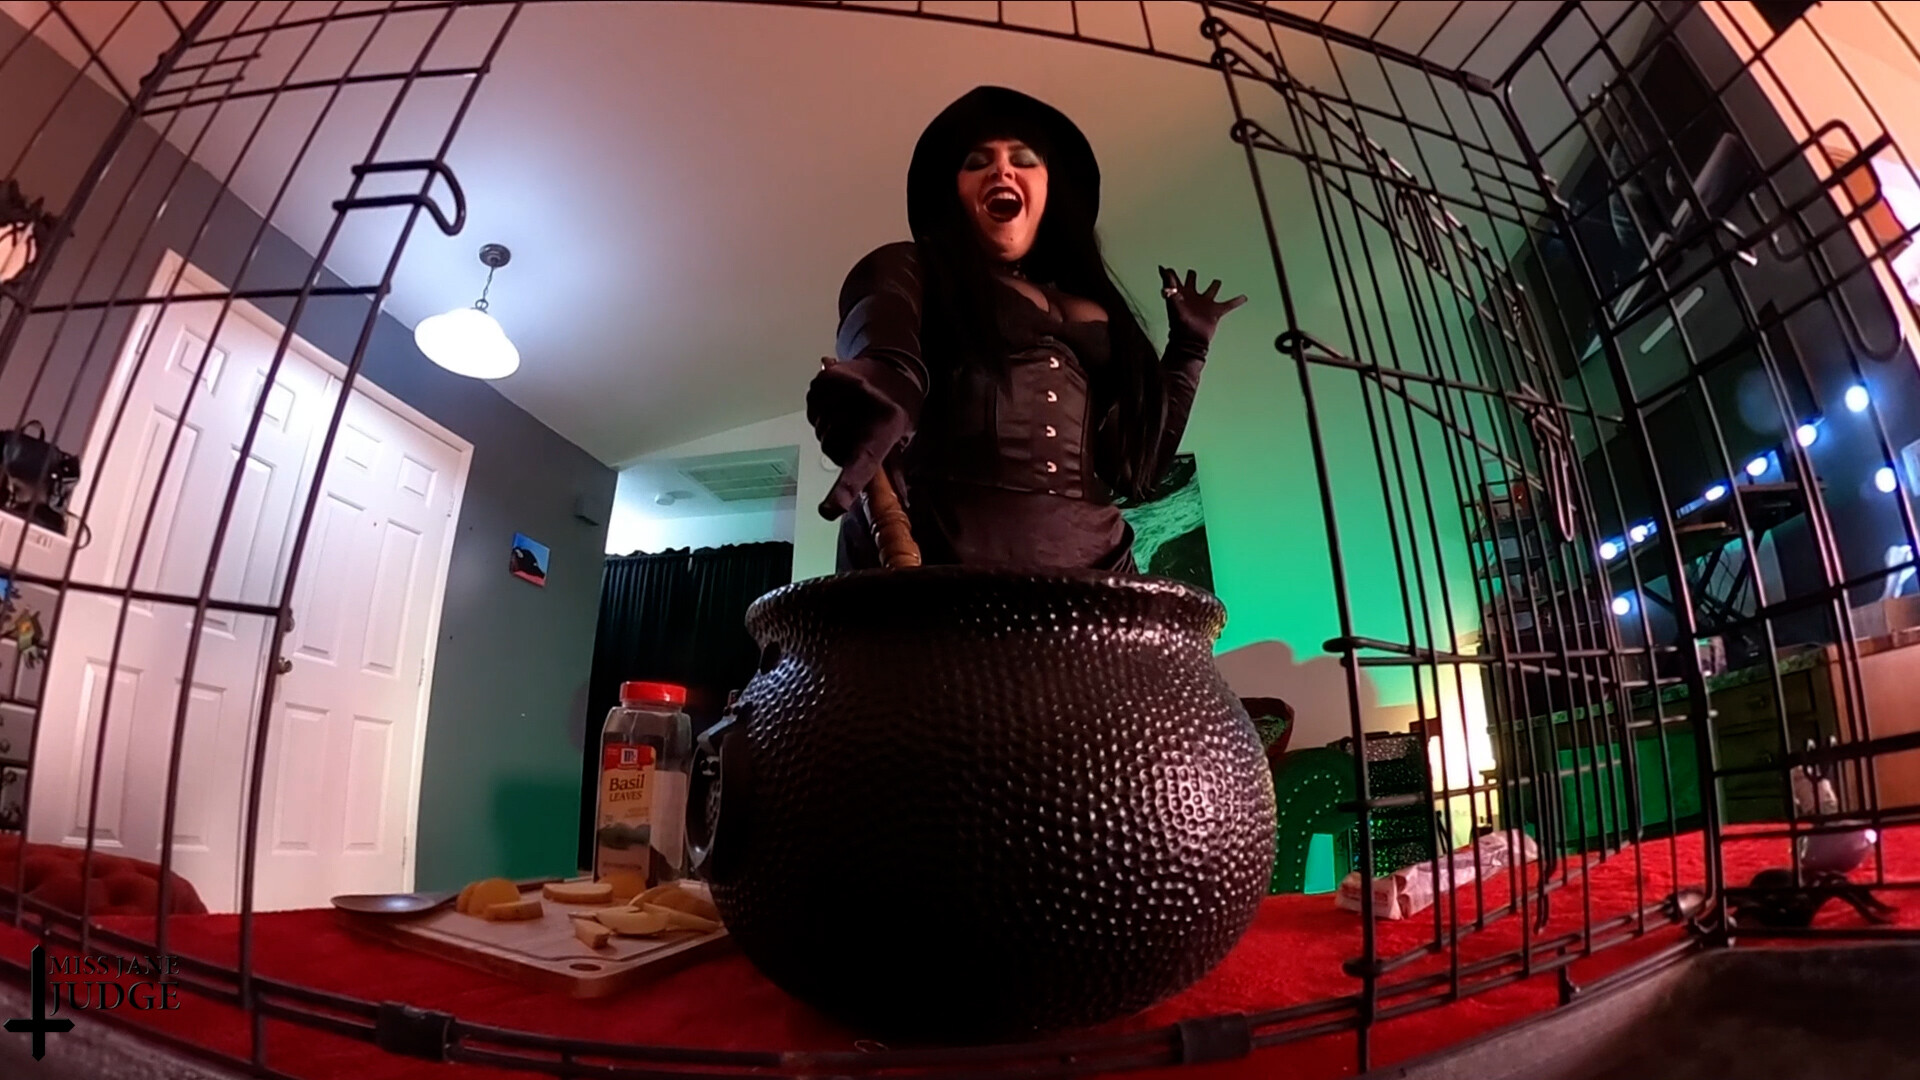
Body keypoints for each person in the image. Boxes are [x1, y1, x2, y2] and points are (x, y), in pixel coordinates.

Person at [808, 85, 1246, 573]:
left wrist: (1189, 348)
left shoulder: (1090, 301)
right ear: (952, 191)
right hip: (947, 549)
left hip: (1096, 563)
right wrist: (884, 381)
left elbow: (1133, 467)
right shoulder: (914, 267)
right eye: (977, 162)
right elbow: (881, 325)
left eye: (1024, 159)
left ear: (1049, 188)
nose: (1002, 170)